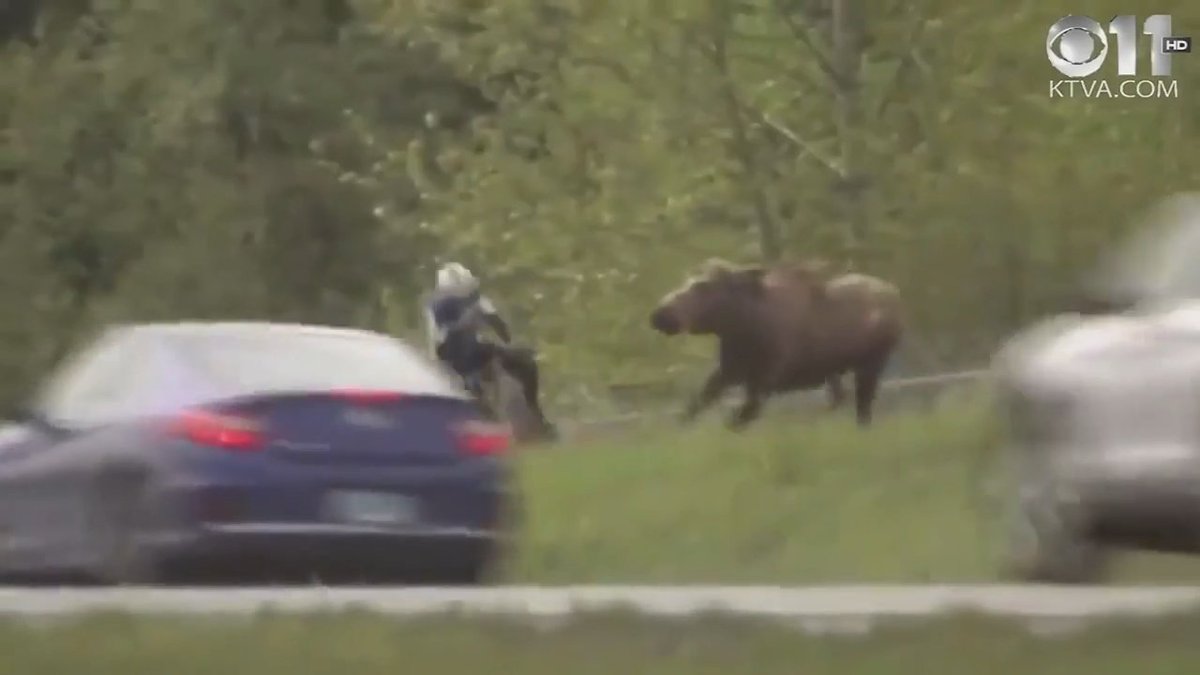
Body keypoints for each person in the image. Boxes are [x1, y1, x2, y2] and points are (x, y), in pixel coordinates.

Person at [423, 262, 556, 437]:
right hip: (449, 359)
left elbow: (495, 321)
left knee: (525, 363)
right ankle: (488, 428)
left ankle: (534, 413)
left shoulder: (475, 299)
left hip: (475, 351)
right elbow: (443, 340)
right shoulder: (437, 307)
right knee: (472, 393)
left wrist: (507, 339)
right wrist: (467, 321)